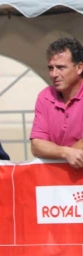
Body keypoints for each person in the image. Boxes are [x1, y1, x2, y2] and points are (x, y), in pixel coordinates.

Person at [30, 37, 83, 168]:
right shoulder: (45, 96)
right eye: (50, 68)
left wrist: (54, 152)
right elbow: (37, 146)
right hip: (56, 183)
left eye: (60, 67)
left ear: (80, 67)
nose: (54, 74)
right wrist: (66, 153)